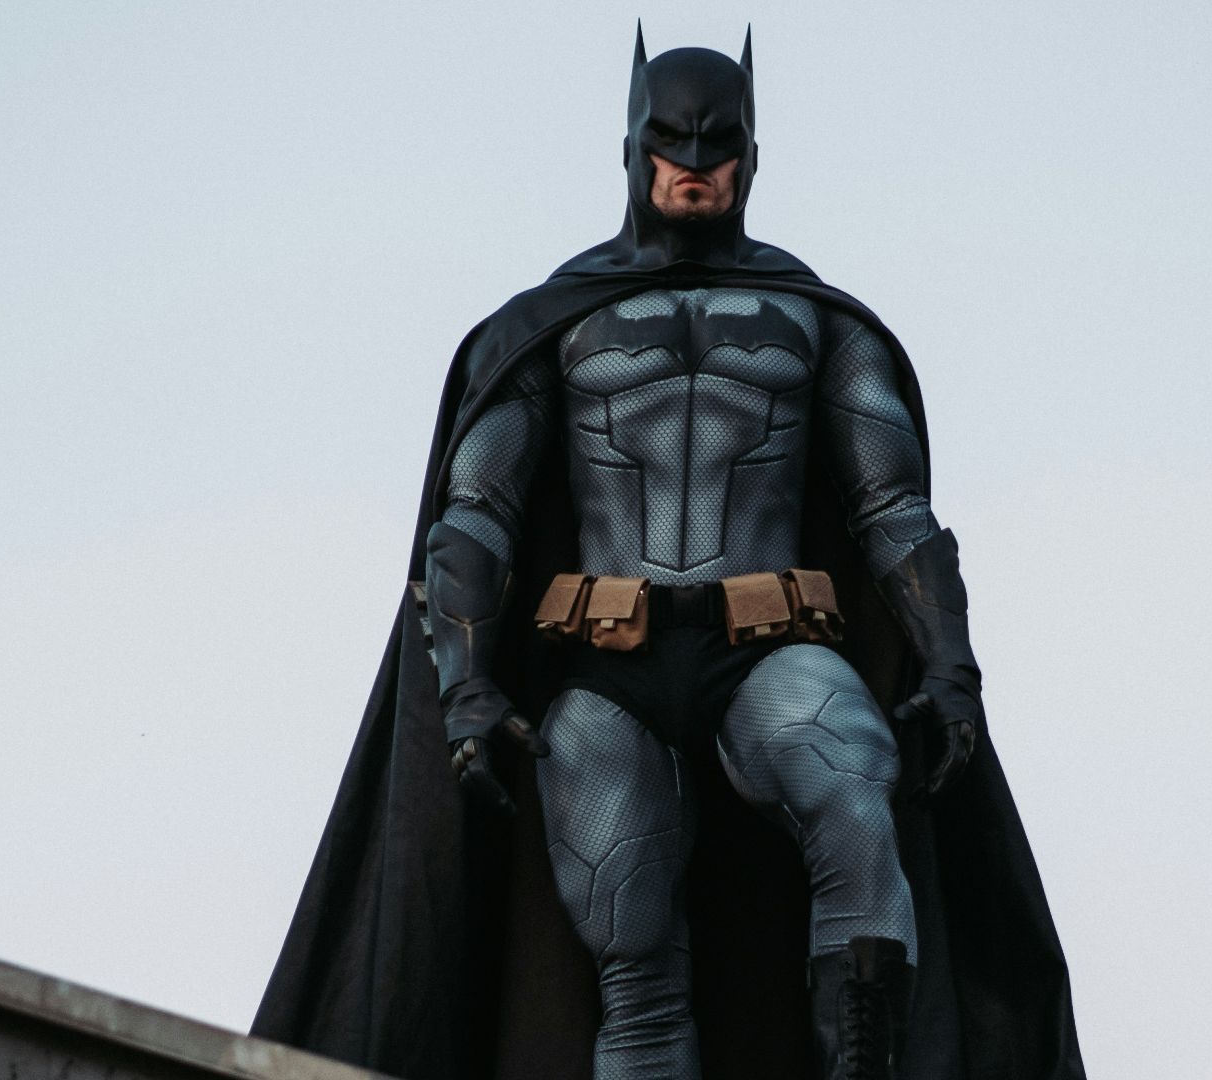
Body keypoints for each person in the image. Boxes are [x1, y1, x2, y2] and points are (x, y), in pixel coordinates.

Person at [254, 28, 1084, 1080]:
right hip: (608, 668)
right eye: (671, 140)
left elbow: (893, 510)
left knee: (855, 797)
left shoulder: (816, 320)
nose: (693, 162)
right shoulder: (552, 323)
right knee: (631, 941)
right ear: (633, 148)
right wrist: (463, 681)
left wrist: (951, 667)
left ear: (751, 154)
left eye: (716, 142)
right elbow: (475, 516)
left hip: (770, 650)